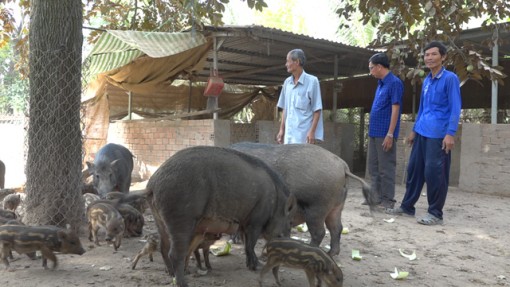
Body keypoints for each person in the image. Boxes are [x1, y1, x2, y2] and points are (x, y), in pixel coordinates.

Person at [387, 41, 462, 225]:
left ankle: (435, 213)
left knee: (435, 173)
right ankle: (407, 207)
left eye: (433, 54)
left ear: (443, 57)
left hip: (438, 134)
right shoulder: (427, 79)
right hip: (422, 132)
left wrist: (450, 133)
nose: (429, 58)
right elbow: (422, 107)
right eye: (426, 55)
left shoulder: (450, 78)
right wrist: (414, 130)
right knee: (414, 170)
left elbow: (455, 107)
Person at [365, 53, 403, 209]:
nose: (370, 71)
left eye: (371, 68)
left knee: (386, 168)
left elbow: (396, 109)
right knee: (373, 167)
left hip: (385, 132)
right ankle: (375, 197)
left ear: (380, 67)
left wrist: (390, 134)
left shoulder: (395, 83)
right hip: (374, 131)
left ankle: (388, 200)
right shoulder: (380, 84)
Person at [276, 49, 324, 144]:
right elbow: (285, 108)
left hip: (304, 136)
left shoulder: (312, 81)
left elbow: (317, 109)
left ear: (297, 62)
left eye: (288, 61)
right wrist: (282, 130)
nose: (286, 64)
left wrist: (312, 132)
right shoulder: (287, 83)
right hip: (289, 136)